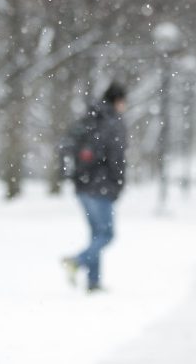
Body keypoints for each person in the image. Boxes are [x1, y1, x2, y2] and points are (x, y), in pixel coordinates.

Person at [62, 82, 128, 293]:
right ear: (118, 101)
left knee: (96, 235)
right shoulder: (113, 123)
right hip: (102, 186)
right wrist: (118, 184)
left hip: (83, 185)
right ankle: (76, 261)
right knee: (107, 235)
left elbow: (68, 145)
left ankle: (93, 281)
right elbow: (117, 157)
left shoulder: (89, 117)